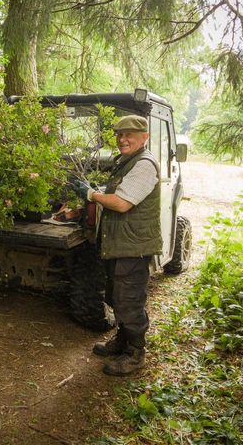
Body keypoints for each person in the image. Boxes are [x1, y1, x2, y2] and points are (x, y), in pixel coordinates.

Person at [72, 115, 161, 376]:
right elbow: (119, 191)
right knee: (116, 296)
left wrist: (91, 195)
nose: (123, 139)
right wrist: (97, 189)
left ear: (144, 137)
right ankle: (122, 341)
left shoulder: (144, 164)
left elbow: (122, 203)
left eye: (129, 134)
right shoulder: (127, 162)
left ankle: (135, 354)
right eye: (120, 134)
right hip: (121, 244)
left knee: (129, 301)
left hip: (133, 247)